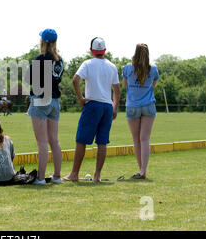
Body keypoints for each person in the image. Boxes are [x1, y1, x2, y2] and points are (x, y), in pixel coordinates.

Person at [63, 37, 121, 182]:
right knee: (102, 142)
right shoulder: (112, 66)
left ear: (91, 50)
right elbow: (117, 90)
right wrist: (115, 106)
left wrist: (80, 98)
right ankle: (97, 176)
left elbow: (75, 79)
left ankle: (74, 174)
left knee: (81, 140)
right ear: (104, 51)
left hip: (93, 104)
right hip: (107, 106)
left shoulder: (87, 63)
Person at [26, 29, 64, 185]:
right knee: (54, 141)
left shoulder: (40, 59)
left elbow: (29, 80)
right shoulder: (60, 60)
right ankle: (57, 176)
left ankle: (41, 178)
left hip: (41, 100)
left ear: (43, 42)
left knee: (42, 142)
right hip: (54, 101)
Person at [122, 43, 159, 179]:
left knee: (136, 140)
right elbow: (153, 85)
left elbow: (125, 85)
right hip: (148, 105)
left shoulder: (127, 68)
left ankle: (141, 170)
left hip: (132, 107)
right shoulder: (153, 69)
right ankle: (143, 170)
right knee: (145, 139)